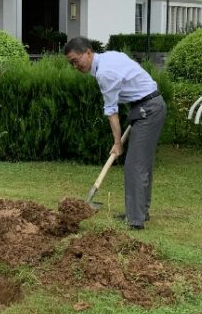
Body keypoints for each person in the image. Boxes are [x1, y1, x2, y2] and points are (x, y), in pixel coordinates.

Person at [64, 36, 166, 230]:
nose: (75, 66)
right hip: (145, 105)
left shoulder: (104, 73)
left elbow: (112, 112)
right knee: (142, 164)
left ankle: (135, 220)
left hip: (148, 108)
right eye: (71, 63)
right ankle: (140, 213)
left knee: (134, 165)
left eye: (76, 61)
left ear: (88, 52)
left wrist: (117, 144)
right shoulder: (109, 57)